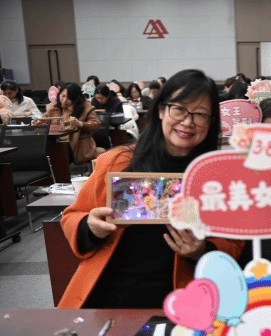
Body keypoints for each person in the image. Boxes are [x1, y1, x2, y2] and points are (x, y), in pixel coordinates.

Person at [58, 69, 245, 309]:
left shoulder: (216, 179)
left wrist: (202, 251)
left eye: (200, 114)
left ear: (211, 122)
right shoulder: (117, 162)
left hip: (181, 301)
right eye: (179, 109)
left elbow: (234, 244)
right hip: (108, 295)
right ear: (161, 110)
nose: (188, 122)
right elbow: (72, 216)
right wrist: (91, 227)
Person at [35, 82, 101, 165]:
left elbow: (96, 125)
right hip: (56, 142)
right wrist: (38, 122)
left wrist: (80, 124)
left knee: (59, 153)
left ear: (76, 98)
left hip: (77, 145)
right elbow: (44, 120)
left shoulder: (86, 107)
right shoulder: (53, 107)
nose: (64, 100)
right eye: (62, 96)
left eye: (69, 98)